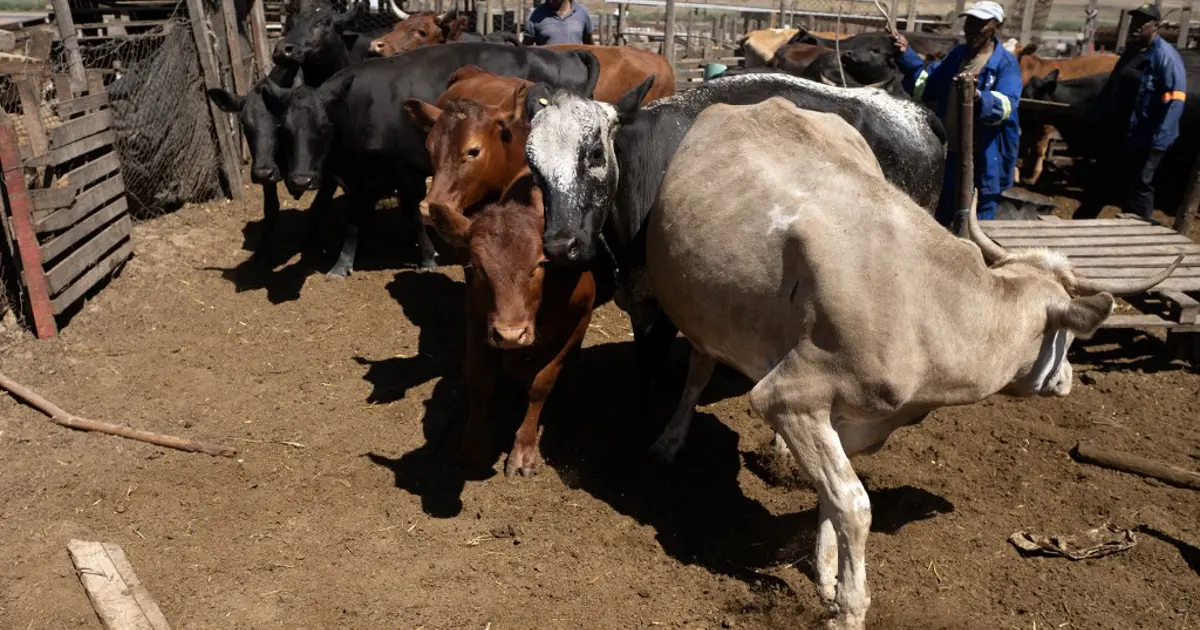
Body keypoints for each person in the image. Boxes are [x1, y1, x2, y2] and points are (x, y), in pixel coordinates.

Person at [892, 1, 1021, 226]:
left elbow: (1008, 105)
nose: (972, 29)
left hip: (983, 157)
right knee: (941, 221)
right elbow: (927, 85)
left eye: (980, 24)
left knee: (978, 225)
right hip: (950, 154)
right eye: (969, 23)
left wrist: (980, 97)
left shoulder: (1005, 64)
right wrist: (906, 55)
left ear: (995, 27)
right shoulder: (958, 56)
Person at [1074, 3, 1186, 221]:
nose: (1135, 26)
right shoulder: (1131, 52)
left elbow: (1174, 102)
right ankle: (1078, 225)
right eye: (1134, 21)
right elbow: (1112, 86)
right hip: (1121, 133)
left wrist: (1158, 141)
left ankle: (1139, 232)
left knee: (1139, 186)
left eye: (1141, 22)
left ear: (1155, 26)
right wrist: (1096, 115)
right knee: (1102, 180)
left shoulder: (1166, 58)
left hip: (1148, 137)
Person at [524, 0, 593, 46]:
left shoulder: (582, 12)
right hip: (547, 67)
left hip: (574, 66)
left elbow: (590, 46)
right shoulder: (535, 14)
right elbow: (526, 49)